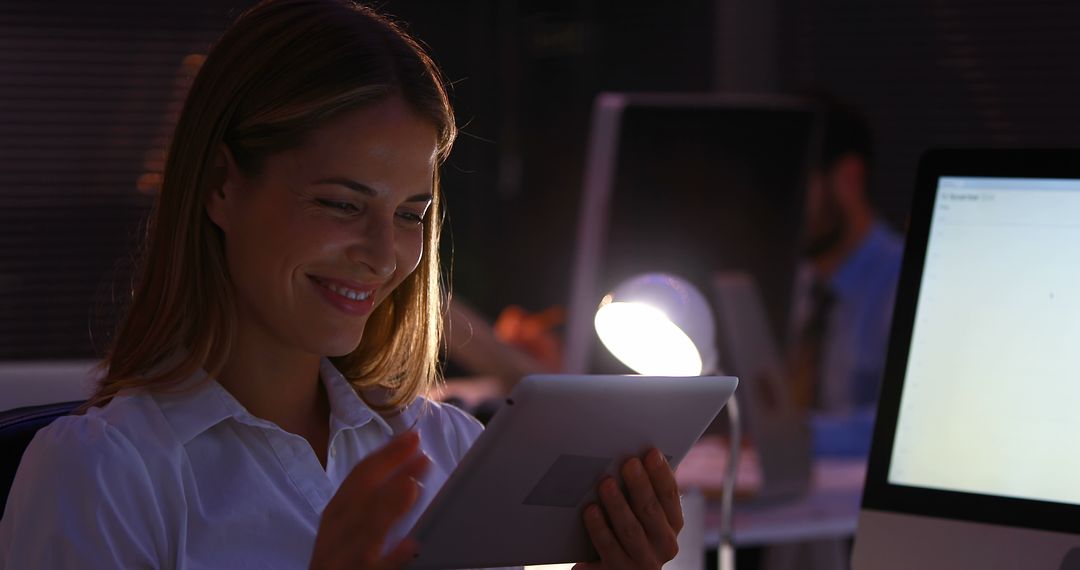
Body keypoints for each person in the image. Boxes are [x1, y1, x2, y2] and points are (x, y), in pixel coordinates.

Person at [0, 1, 684, 568]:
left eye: (411, 215)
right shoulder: (105, 475)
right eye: (340, 204)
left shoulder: (447, 449)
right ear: (219, 186)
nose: (385, 255)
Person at [790, 93, 904, 454]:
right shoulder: (797, 285)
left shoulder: (907, 282)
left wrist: (789, 435)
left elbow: (903, 428)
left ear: (848, 178)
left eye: (795, 184)